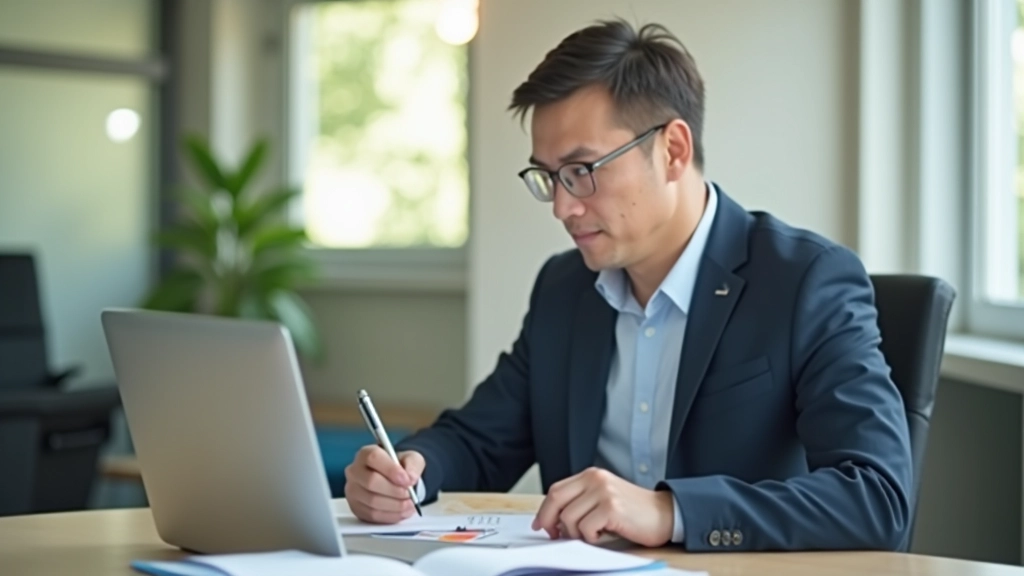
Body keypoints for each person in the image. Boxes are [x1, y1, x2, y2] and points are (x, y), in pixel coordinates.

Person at [344, 18, 913, 552]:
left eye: (583, 171)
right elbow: (478, 439)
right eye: (549, 177)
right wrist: (409, 471)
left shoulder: (803, 281)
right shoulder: (564, 289)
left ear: (672, 150)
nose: (563, 207)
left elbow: (877, 497)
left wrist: (669, 512)